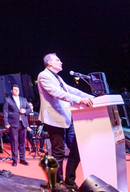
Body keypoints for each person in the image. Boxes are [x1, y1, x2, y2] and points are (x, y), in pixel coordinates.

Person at [37, 53, 94, 190]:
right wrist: (79, 100)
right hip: (54, 118)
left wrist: (92, 97)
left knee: (77, 147)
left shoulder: (58, 77)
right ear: (49, 63)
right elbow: (56, 92)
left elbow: (71, 90)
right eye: (57, 60)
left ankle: (69, 180)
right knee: (58, 152)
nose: (61, 62)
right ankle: (57, 183)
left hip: (67, 117)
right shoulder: (43, 75)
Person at [3, 84, 32, 166]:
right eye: (15, 90)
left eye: (18, 90)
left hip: (23, 123)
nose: (17, 91)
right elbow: (5, 112)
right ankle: (15, 159)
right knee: (14, 142)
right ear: (11, 91)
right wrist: (6, 123)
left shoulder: (23, 99)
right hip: (13, 123)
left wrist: (25, 111)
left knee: (22, 142)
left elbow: (29, 109)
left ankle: (22, 159)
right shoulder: (8, 100)